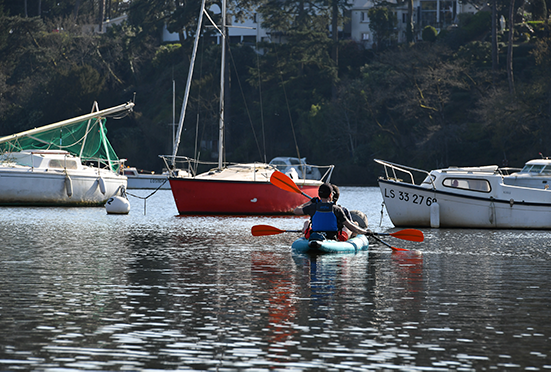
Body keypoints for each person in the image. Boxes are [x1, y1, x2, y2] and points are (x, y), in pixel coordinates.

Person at [294, 183, 371, 241]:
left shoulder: (313, 207)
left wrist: (310, 202)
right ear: (330, 195)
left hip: (315, 236)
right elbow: (350, 226)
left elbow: (296, 210)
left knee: (307, 222)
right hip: (331, 238)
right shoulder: (336, 209)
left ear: (319, 195)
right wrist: (365, 232)